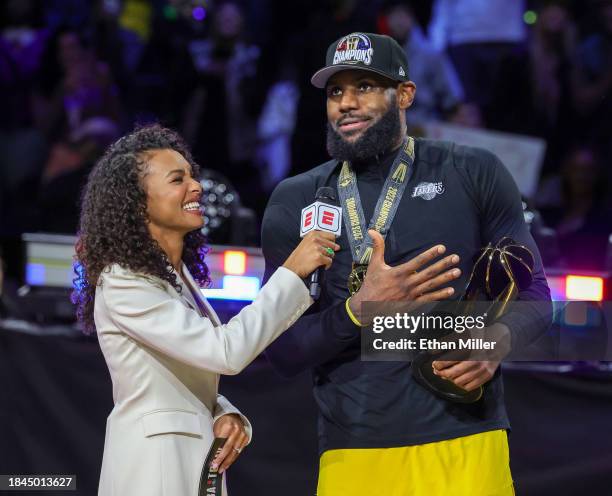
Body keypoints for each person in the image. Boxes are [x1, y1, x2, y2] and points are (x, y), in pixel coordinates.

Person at [261, 33, 551, 495]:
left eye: (365, 87)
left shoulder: (472, 171)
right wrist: (359, 309)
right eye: (336, 92)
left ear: (406, 94)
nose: (346, 104)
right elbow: (280, 350)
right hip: (355, 448)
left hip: (467, 439)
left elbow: (536, 294)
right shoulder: (296, 199)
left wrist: (497, 340)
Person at [72, 124, 339, 496]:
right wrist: (291, 273)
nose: (195, 186)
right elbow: (223, 352)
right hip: (153, 467)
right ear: (137, 201)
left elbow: (179, 375)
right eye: (177, 179)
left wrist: (222, 412)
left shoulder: (170, 274)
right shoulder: (124, 280)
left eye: (192, 176)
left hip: (188, 461)